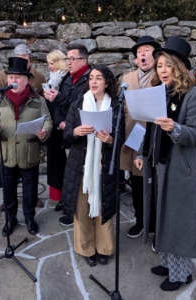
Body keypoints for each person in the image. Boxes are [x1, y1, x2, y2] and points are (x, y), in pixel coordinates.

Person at [134, 36, 196, 291]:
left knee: (177, 222)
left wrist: (175, 128)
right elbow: (149, 130)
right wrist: (143, 155)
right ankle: (167, 262)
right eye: (159, 65)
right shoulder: (159, 93)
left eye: (168, 65)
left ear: (179, 67)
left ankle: (181, 274)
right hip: (158, 164)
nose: (162, 70)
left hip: (178, 169)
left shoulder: (194, 96)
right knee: (161, 216)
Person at [61, 65, 125, 266]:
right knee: (81, 210)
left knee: (103, 207)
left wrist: (110, 140)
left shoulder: (116, 105)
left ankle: (104, 247)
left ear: (107, 82)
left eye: (99, 78)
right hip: (81, 167)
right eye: (91, 78)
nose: (94, 82)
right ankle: (86, 248)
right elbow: (66, 137)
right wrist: (75, 133)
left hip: (104, 166)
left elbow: (121, 137)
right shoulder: (77, 104)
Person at [0, 57, 53, 236]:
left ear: (26, 80)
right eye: (11, 77)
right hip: (7, 153)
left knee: (30, 190)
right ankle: (10, 218)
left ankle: (30, 218)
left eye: (18, 77)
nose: (13, 80)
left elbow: (48, 121)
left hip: (28, 152)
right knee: (8, 190)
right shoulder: (0, 100)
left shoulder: (38, 100)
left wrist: (44, 132)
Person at [44, 43, 91, 226]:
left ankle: (79, 211)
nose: (69, 62)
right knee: (69, 172)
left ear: (83, 60)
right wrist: (60, 122)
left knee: (80, 175)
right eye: (67, 59)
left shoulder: (90, 78)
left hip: (82, 135)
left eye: (72, 59)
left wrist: (67, 121)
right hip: (66, 131)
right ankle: (69, 206)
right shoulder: (67, 79)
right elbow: (57, 106)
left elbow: (79, 104)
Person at [120, 36, 161, 245]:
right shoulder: (127, 78)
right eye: (139, 52)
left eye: (147, 50)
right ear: (136, 59)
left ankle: (155, 225)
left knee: (154, 183)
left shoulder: (162, 76)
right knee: (136, 182)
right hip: (133, 136)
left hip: (155, 138)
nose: (143, 54)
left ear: (155, 56)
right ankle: (139, 220)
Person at [45, 50, 68, 207]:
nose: (50, 66)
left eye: (52, 63)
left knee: (66, 163)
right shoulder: (51, 79)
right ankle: (59, 196)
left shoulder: (67, 78)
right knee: (55, 162)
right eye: (49, 63)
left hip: (65, 125)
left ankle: (67, 197)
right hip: (53, 126)